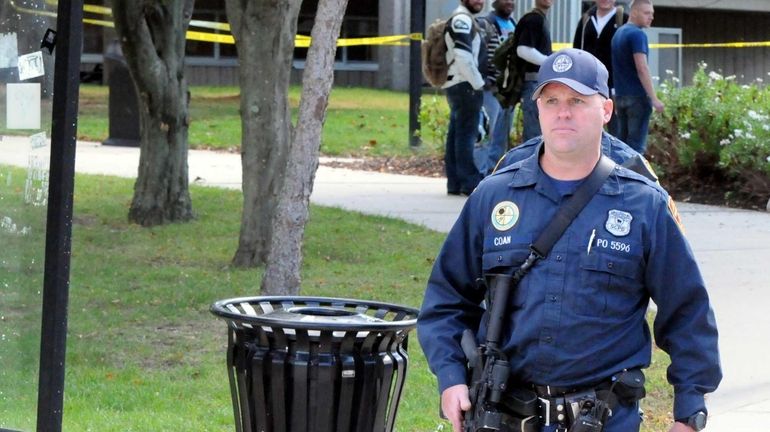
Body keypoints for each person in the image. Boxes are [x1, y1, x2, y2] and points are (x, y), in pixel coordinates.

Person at [418, 48, 721, 432]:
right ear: (539, 108)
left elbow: (688, 310)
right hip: (504, 416)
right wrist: (451, 378)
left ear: (606, 110)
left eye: (578, 100)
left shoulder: (644, 205)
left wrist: (689, 412)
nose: (563, 112)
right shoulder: (494, 197)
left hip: (605, 418)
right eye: (552, 100)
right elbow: (446, 301)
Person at [443, 0, 487, 196]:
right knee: (465, 135)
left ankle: (454, 182)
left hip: (458, 84)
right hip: (465, 84)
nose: (480, 1)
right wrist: (478, 84)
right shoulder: (462, 19)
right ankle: (469, 181)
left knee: (456, 134)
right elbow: (463, 56)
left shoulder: (463, 18)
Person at [611, 0, 664, 154]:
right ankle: (633, 178)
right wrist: (654, 98)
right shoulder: (638, 34)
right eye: (647, 13)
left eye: (652, 14)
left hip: (621, 96)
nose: (651, 17)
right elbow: (642, 67)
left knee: (621, 147)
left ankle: (618, 177)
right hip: (637, 98)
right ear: (634, 12)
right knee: (636, 149)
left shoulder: (617, 34)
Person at [475, 0, 517, 176]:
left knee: (501, 134)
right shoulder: (485, 23)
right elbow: (478, 53)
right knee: (487, 133)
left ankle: (496, 173)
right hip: (489, 88)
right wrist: (483, 80)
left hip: (507, 90)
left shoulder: (514, 24)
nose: (509, 2)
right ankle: (483, 173)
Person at [573, 0, 628, 135]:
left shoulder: (624, 20)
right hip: (588, 86)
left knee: (616, 133)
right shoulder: (585, 21)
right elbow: (577, 52)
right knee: (586, 130)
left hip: (615, 88)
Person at [512, 0, 553, 142]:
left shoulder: (539, 18)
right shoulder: (533, 19)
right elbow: (523, 50)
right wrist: (550, 62)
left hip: (536, 83)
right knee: (534, 136)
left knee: (537, 133)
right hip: (532, 84)